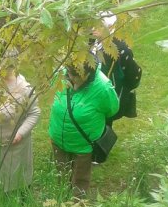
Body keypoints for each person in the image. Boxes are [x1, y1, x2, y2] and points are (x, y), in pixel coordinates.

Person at [48, 60, 119, 197]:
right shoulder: (61, 74)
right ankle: (61, 200)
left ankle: (77, 204)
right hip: (58, 137)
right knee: (61, 175)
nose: (73, 79)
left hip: (83, 144)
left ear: (88, 73)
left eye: (78, 76)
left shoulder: (103, 87)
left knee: (80, 180)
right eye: (70, 75)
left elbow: (112, 109)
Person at [0, 60, 40, 193]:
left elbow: (34, 113)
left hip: (14, 145)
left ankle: (17, 198)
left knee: (14, 180)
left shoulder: (24, 89)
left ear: (10, 67)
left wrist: (20, 133)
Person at [92, 13, 142, 124]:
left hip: (107, 95)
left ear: (110, 27)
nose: (94, 28)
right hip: (88, 95)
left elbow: (133, 75)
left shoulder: (120, 48)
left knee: (105, 124)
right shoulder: (87, 42)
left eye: (100, 25)